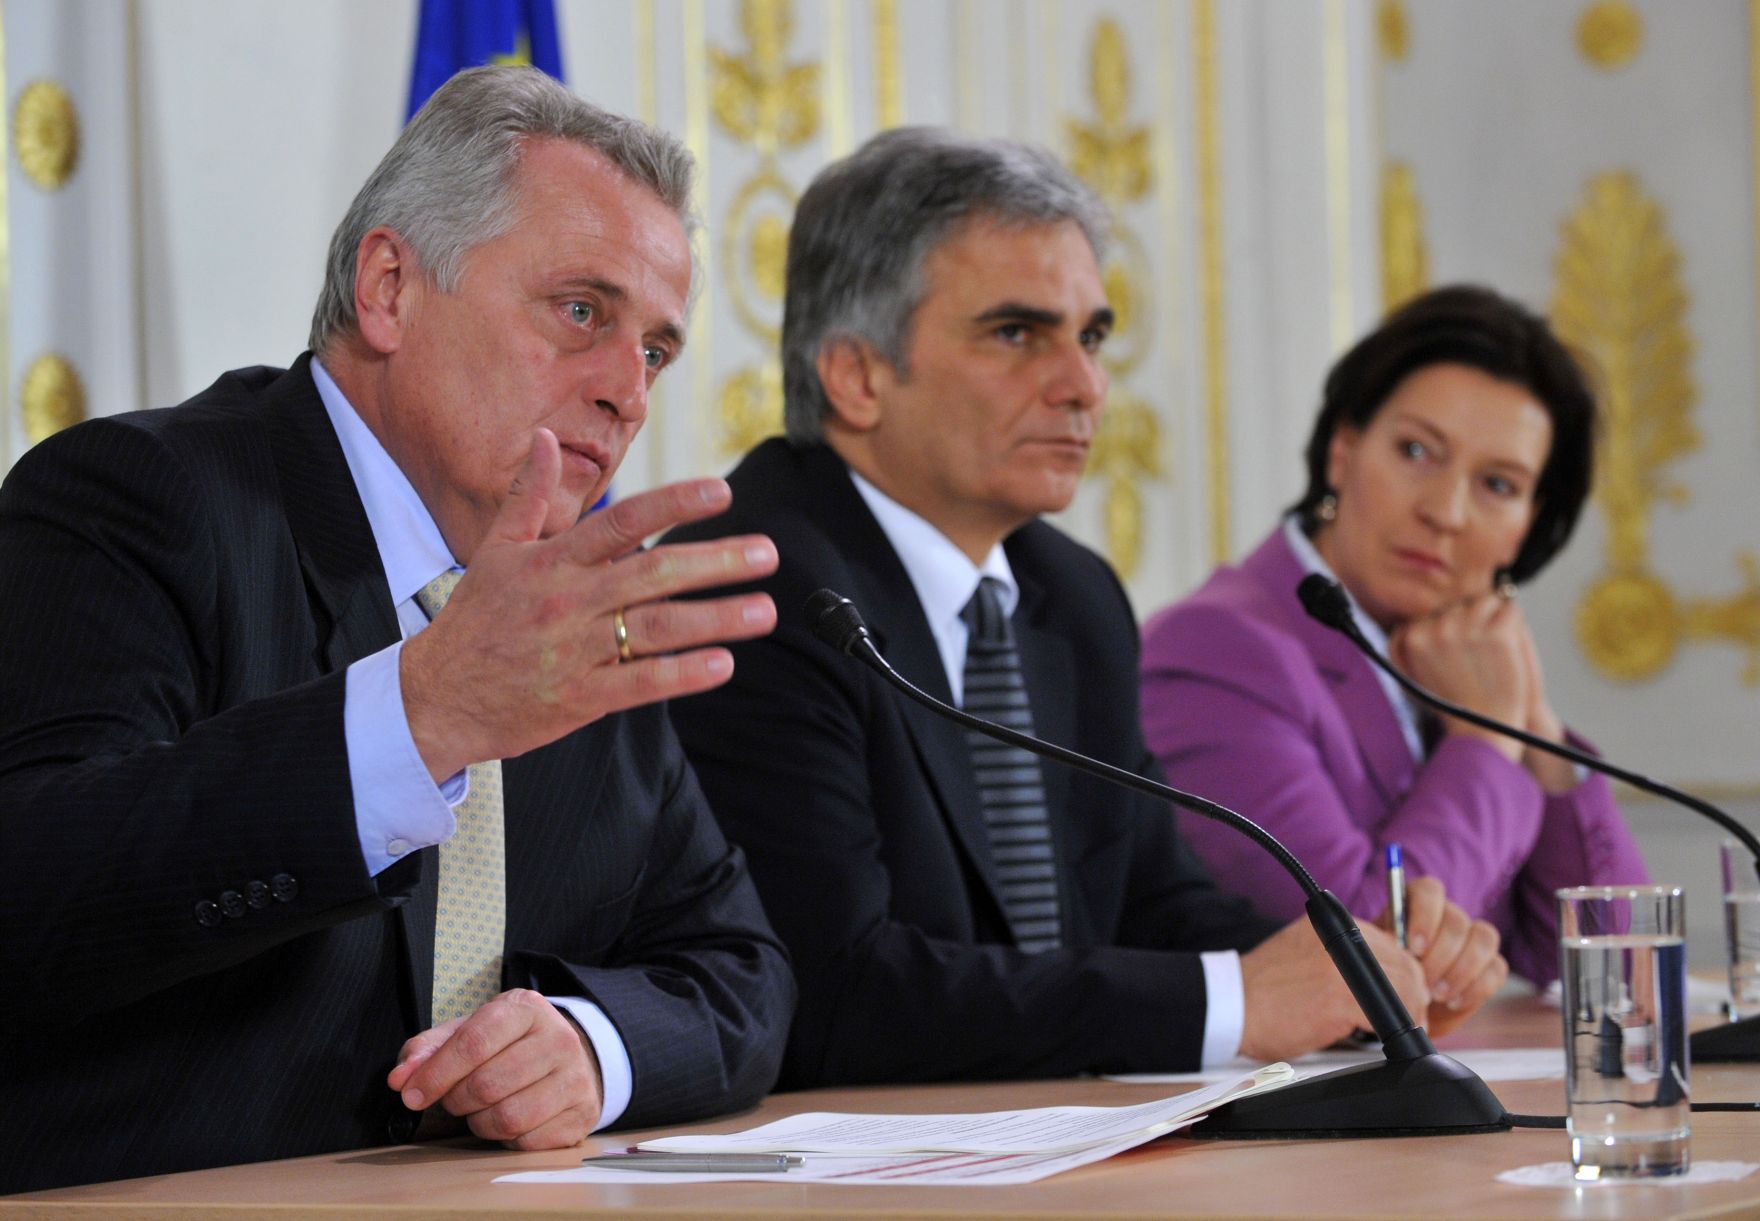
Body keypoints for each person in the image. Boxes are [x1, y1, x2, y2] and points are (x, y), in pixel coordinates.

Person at [0, 67, 794, 1194]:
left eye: (655, 351)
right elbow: (32, 888)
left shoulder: (570, 605)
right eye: (582, 312)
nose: (629, 391)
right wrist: (418, 718)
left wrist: (591, 1045)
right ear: (388, 289)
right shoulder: (140, 499)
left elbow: (741, 974)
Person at [666, 128, 1505, 1089]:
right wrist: (1233, 1002)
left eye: (1092, 336)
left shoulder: (1072, 594)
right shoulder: (755, 588)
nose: (1085, 386)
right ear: (858, 376)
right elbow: (829, 991)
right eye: (1018, 334)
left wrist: (1359, 972)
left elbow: (1152, 901)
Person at [1139, 285, 1648, 990]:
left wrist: (1536, 729)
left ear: (1530, 524)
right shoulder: (1213, 649)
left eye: (1498, 484)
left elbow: (1621, 973)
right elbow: (1360, 960)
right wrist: (1487, 738)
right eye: (1416, 450)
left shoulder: (1456, 661)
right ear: (1343, 451)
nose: (1445, 511)